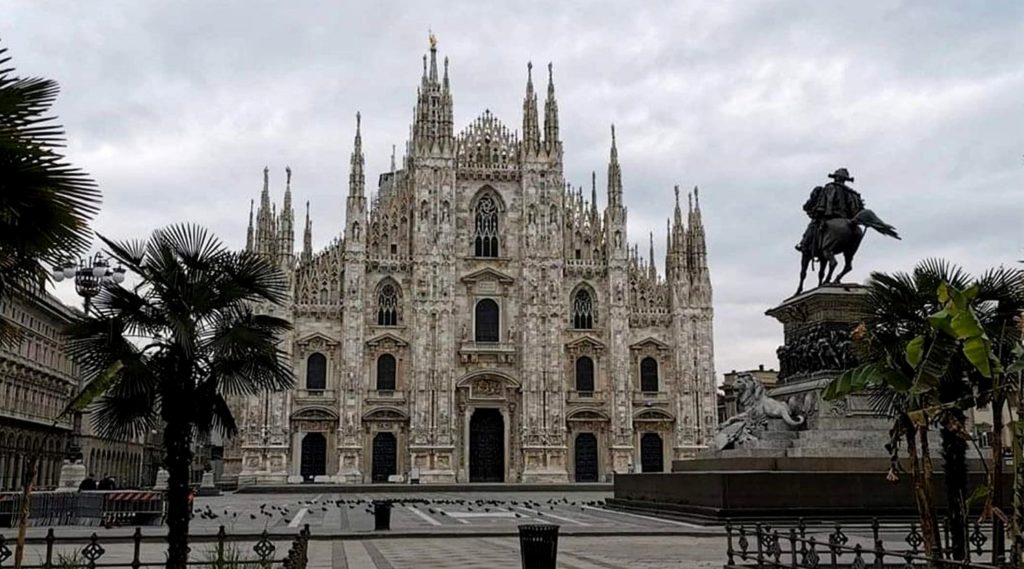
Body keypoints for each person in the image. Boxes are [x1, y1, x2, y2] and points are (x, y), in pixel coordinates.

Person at [796, 168, 864, 253]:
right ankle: (848, 262)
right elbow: (855, 209)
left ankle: (803, 244)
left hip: (830, 215)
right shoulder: (851, 193)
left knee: (812, 225)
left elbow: (823, 203)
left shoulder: (829, 187)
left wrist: (818, 211)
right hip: (847, 219)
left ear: (836, 177)